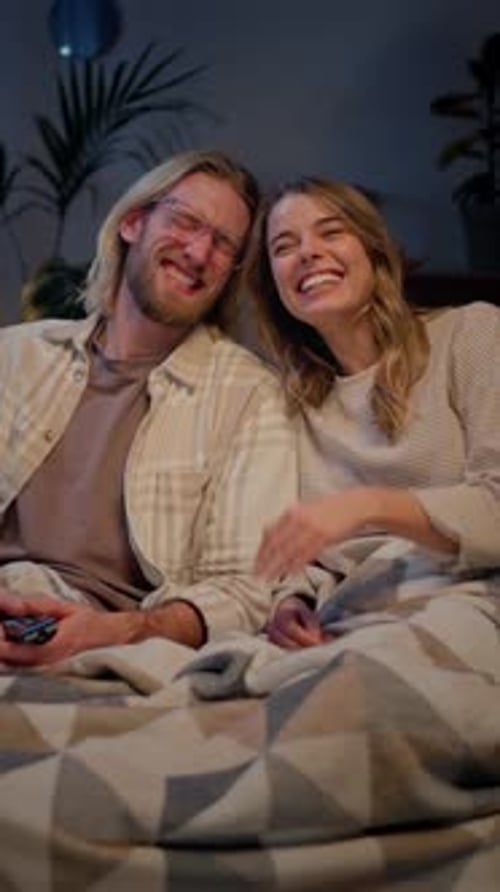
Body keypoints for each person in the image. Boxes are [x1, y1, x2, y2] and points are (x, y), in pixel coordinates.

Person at [0, 149, 296, 666]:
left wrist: (118, 632)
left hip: (107, 642)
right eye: (186, 222)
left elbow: (244, 589)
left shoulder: (249, 395)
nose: (200, 252)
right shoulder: (15, 355)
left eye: (224, 244)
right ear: (134, 222)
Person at [246, 176, 500, 649]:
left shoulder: (473, 334)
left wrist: (369, 506)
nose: (308, 252)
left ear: (375, 250)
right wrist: (289, 604)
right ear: (274, 284)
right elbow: (301, 555)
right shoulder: (290, 403)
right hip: (347, 620)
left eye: (331, 231)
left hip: (468, 603)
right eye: (284, 245)